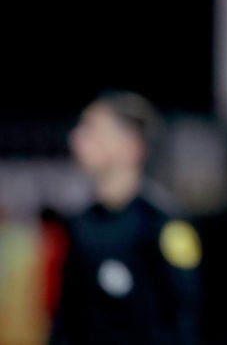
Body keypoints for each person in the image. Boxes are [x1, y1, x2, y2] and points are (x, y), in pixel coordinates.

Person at [49, 90, 201, 345]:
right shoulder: (80, 224)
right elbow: (66, 319)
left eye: (92, 129)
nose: (76, 137)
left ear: (131, 146)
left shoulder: (166, 225)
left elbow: (184, 318)